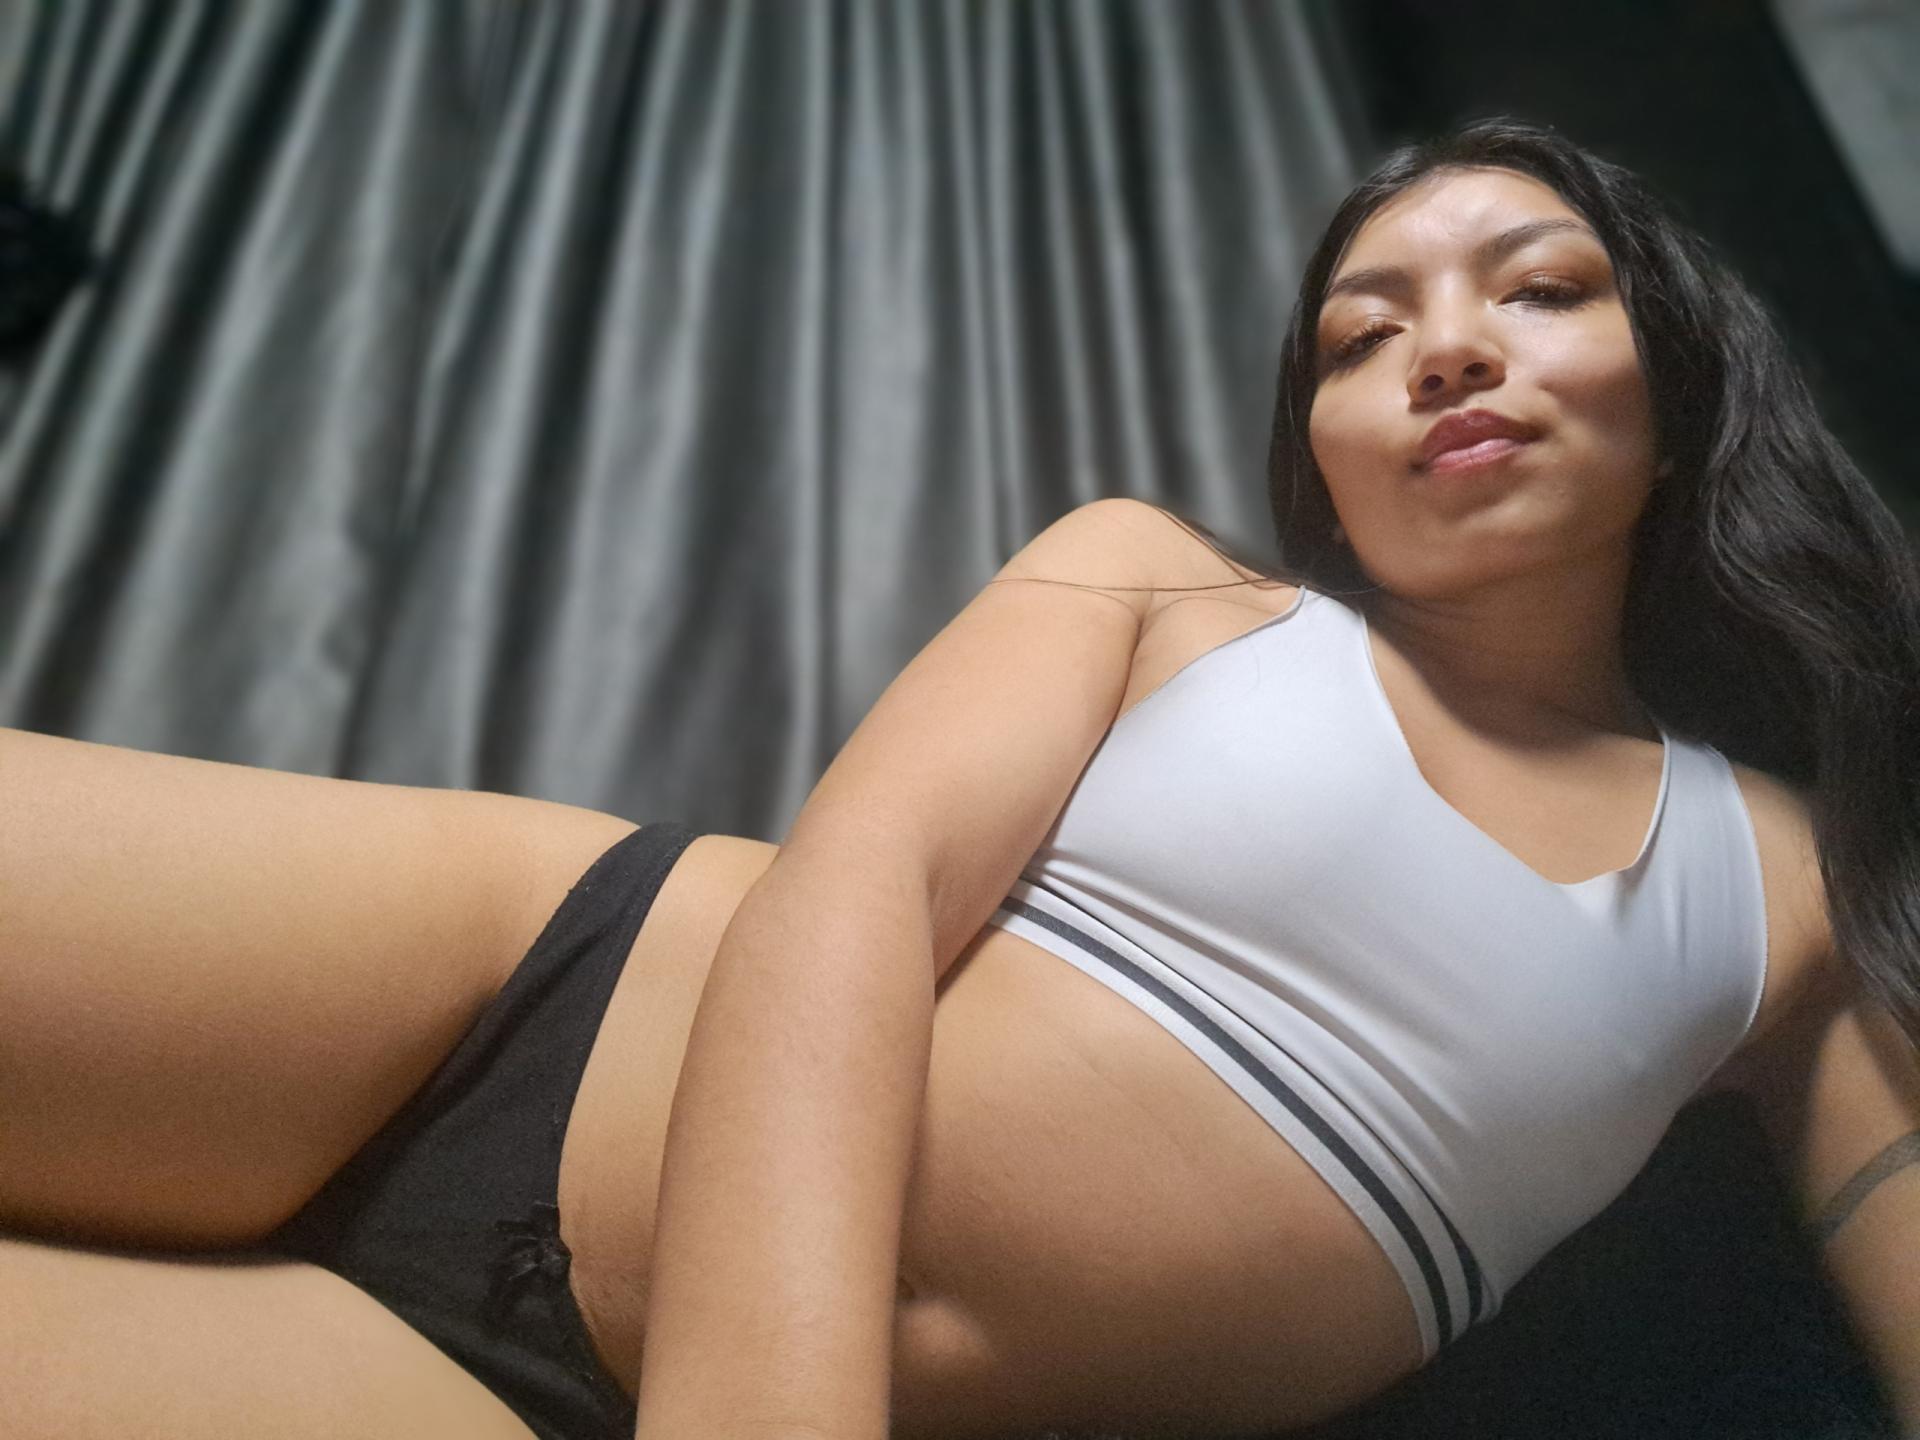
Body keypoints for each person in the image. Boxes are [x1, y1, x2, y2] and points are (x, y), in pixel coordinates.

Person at [3, 114, 1917, 1440]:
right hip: (501, 991)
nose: (1444, 353)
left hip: (524, 1398)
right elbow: (863, 885)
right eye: (1365, 331)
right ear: (1322, 450)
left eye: (1539, 289)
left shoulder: (1787, 897)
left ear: (1677, 389)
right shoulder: (1159, 583)